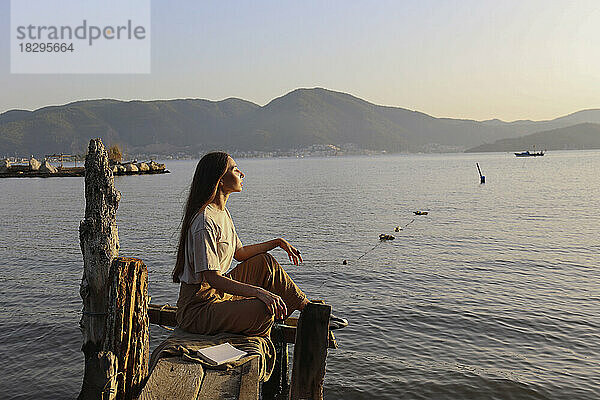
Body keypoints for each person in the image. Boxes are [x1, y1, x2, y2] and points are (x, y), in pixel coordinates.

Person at [172, 152, 311, 338]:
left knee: (265, 263)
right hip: (198, 309)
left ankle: (308, 310)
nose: (242, 173)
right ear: (220, 180)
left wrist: (278, 242)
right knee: (263, 309)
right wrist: (259, 292)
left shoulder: (222, 213)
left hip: (218, 295)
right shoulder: (204, 222)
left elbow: (240, 253)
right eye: (235, 169)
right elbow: (212, 278)